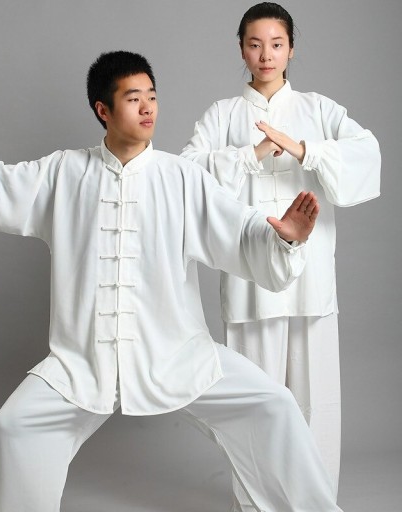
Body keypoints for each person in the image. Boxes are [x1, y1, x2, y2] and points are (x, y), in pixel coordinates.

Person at [0, 50, 341, 512]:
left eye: (152, 97)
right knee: (14, 428)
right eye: (133, 98)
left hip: (177, 353)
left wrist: (283, 238)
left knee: (273, 405)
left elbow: (240, 231)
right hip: (83, 361)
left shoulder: (181, 178)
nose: (147, 108)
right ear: (103, 110)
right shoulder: (64, 173)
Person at [181, 3, 381, 510]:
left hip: (311, 283)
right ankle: (255, 505)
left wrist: (305, 150)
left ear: (292, 48)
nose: (265, 55)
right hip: (249, 282)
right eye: (255, 44)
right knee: (254, 405)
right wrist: (250, 156)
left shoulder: (318, 109)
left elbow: (367, 153)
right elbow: (186, 177)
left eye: (276, 44)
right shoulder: (222, 115)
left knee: (317, 405)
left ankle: (316, 502)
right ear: (241, 49)